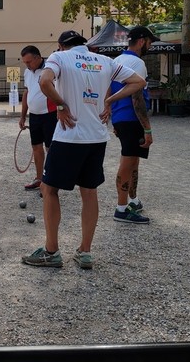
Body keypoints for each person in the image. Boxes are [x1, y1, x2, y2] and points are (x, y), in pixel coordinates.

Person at [22, 30, 146, 270]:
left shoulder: (60, 58)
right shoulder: (105, 61)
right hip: (97, 137)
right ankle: (85, 252)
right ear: (84, 44)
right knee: (89, 192)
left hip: (69, 136)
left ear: (61, 45)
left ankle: (51, 251)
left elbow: (45, 81)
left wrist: (60, 104)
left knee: (49, 189)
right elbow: (138, 82)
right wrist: (109, 101)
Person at [110, 26, 158, 224]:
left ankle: (132, 200)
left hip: (121, 118)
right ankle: (121, 209)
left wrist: (113, 118)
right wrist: (147, 128)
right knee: (128, 163)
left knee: (132, 161)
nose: (150, 46)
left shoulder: (117, 61)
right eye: (149, 42)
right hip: (131, 119)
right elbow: (137, 100)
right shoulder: (137, 63)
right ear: (141, 41)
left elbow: (110, 91)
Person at [18, 45, 57, 191]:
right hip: (34, 116)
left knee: (50, 148)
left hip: (50, 114)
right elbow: (27, 93)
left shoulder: (50, 69)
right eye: (25, 63)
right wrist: (23, 116)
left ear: (37, 57)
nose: (27, 65)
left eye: (29, 62)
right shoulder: (28, 73)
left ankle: (50, 181)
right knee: (36, 147)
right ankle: (39, 178)